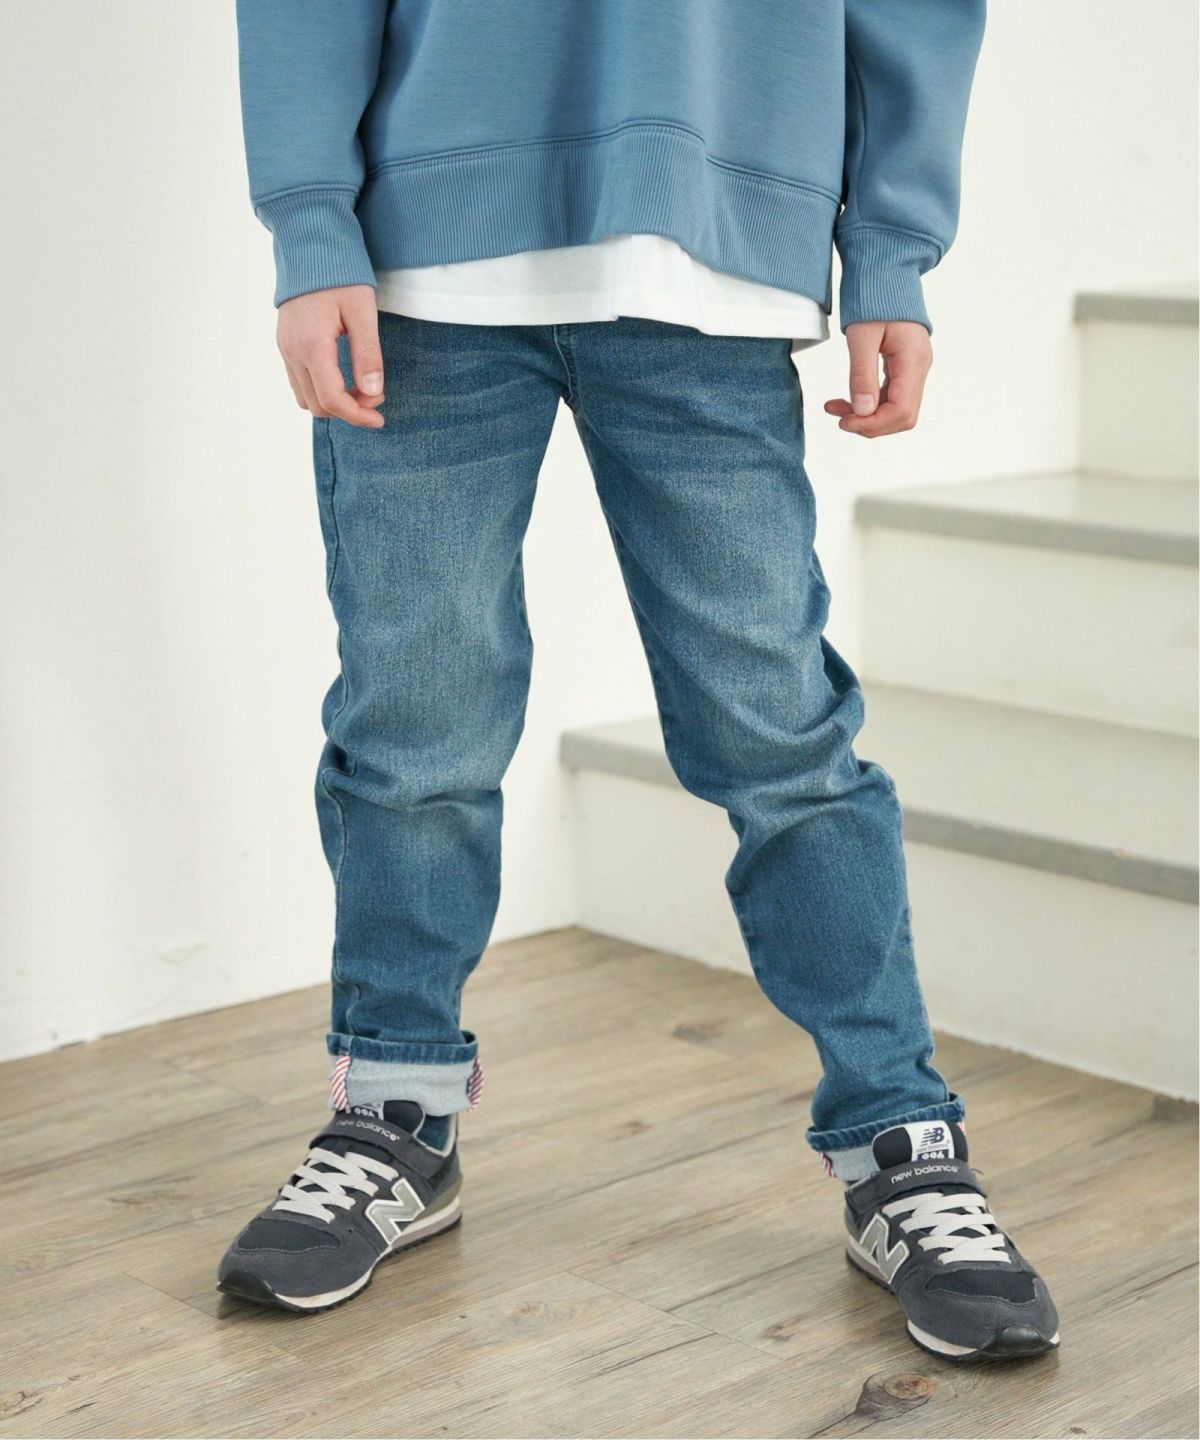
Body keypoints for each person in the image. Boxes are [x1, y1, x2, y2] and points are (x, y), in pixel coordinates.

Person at [218, 0, 1060, 1362]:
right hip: (423, 265)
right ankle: (394, 1117)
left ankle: (899, 1141)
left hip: (714, 254)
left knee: (781, 742)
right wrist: (309, 227)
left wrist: (891, 249)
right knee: (416, 732)